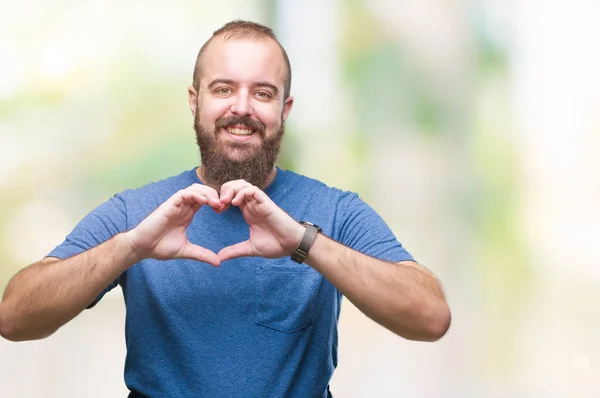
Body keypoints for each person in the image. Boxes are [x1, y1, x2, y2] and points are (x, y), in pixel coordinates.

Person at [0, 20, 450, 398]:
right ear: (195, 101)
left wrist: (303, 242)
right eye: (223, 89)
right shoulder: (135, 212)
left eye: (263, 93)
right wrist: (131, 247)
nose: (241, 107)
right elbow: (14, 318)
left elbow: (430, 317)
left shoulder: (333, 211)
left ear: (284, 109)